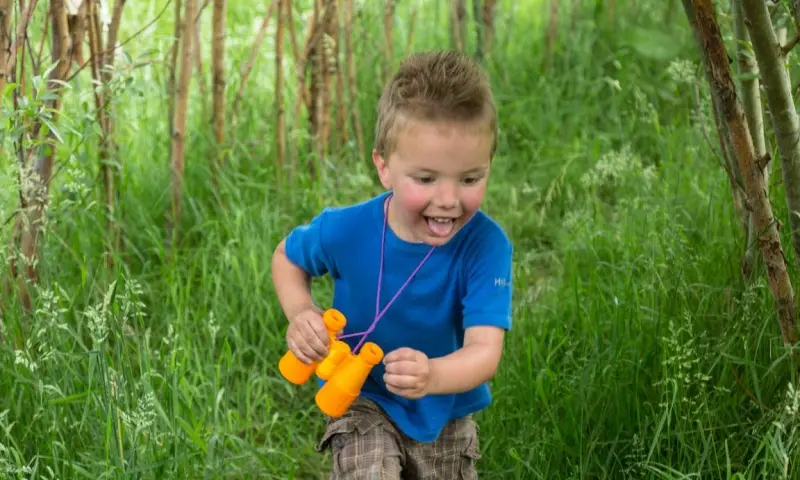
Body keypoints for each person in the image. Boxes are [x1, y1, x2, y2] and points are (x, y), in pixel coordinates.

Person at [271, 50, 513, 479]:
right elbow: (287, 258)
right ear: (383, 166)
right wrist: (301, 313)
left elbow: (484, 352)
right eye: (426, 179)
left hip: (444, 406)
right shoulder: (348, 230)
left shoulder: (485, 246)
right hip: (363, 396)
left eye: (470, 179)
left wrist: (433, 375)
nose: (448, 199)